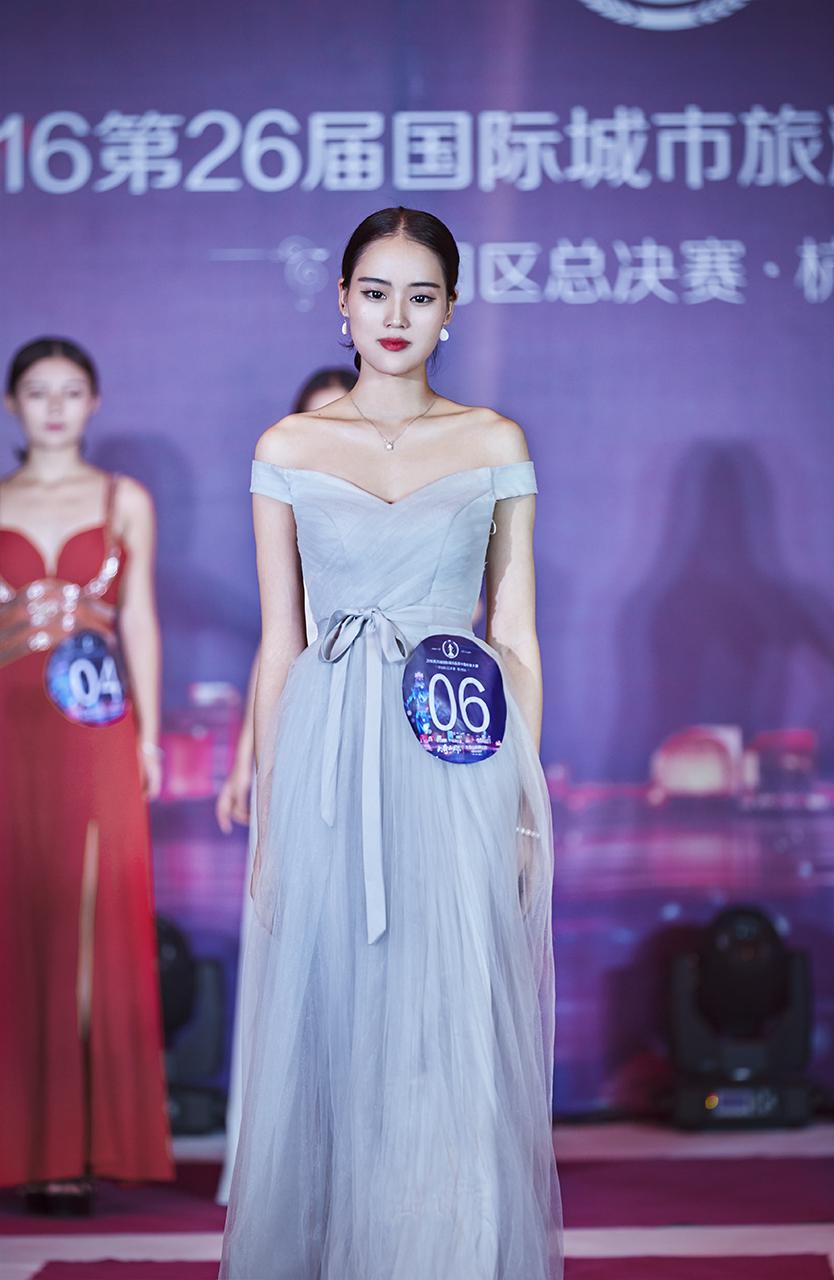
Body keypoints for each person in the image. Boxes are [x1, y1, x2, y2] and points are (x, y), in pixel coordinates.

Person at [220, 208, 562, 1279]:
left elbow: (514, 636)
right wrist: (271, 818)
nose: (395, 314)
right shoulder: (287, 447)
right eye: (375, 292)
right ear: (342, 301)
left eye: (420, 294)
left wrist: (520, 805)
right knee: (334, 1028)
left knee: (446, 1027)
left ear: (451, 309)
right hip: (327, 759)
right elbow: (280, 644)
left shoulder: (493, 440)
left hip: (454, 752)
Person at [0, 338, 173, 1213]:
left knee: (87, 925)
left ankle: (73, 1145)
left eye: (71, 391)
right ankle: (21, 1142)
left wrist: (149, 735)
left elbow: (138, 618)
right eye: (38, 392)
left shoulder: (122, 499)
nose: (55, 407)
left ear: (94, 402)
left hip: (96, 728)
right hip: (10, 729)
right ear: (13, 405)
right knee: (16, 922)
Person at [214, 365, 356, 1206]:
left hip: (394, 735)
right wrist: (248, 763)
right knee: (296, 954)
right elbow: (280, 646)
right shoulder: (289, 504)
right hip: (302, 741)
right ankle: (284, 1160)